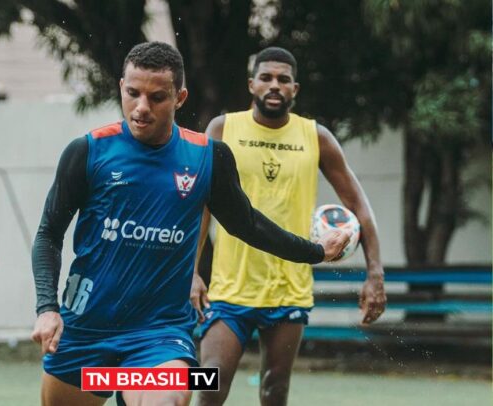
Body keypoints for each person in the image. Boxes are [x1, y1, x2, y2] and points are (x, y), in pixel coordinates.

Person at [31, 41, 350, 406]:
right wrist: (47, 308)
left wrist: (314, 251)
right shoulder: (87, 151)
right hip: (85, 328)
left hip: (159, 334)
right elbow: (48, 234)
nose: (141, 108)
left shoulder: (207, 157)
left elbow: (246, 224)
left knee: (169, 398)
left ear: (180, 97)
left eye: (157, 97)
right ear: (121, 86)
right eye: (132, 93)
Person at [191, 47, 387, 406]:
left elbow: (359, 206)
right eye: (266, 77)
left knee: (275, 391)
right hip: (230, 290)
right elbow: (200, 206)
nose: (274, 85)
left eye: (283, 79)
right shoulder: (222, 129)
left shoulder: (316, 137)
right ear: (252, 84)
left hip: (290, 290)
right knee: (208, 387)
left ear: (295, 89)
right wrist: (191, 271)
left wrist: (375, 272)